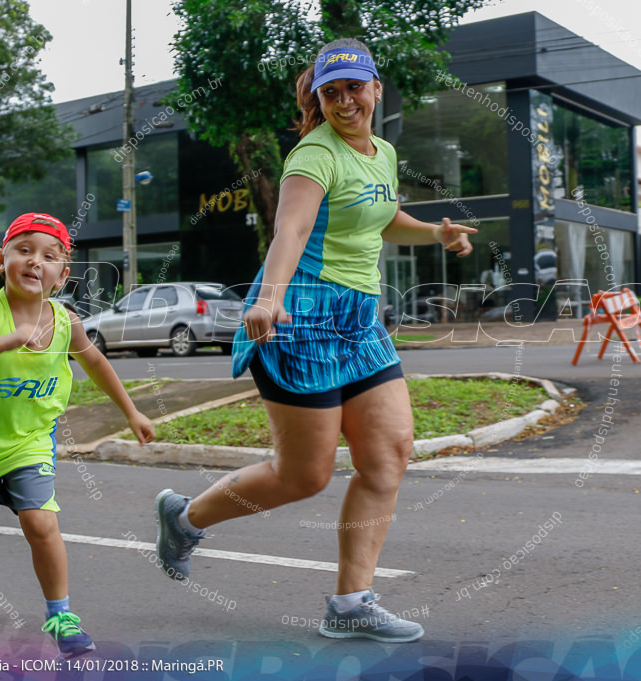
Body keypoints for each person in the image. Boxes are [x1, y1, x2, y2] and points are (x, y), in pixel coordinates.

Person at [154, 38, 475, 643]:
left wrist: (435, 231)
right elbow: (291, 227)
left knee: (389, 454)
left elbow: (382, 221)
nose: (345, 100)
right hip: (298, 317)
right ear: (320, 100)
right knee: (305, 476)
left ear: (376, 89)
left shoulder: (381, 152)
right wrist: (269, 297)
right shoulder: (312, 156)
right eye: (332, 92)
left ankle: (352, 602)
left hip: (358, 321)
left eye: (355, 87)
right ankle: (186, 517)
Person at [0, 212, 155, 658]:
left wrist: (132, 412)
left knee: (41, 522)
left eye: (49, 256)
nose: (35, 262)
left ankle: (61, 614)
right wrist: (9, 339)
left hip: (32, 444)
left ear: (62, 274)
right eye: (24, 250)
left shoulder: (65, 321)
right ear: (2, 259)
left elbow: (96, 364)